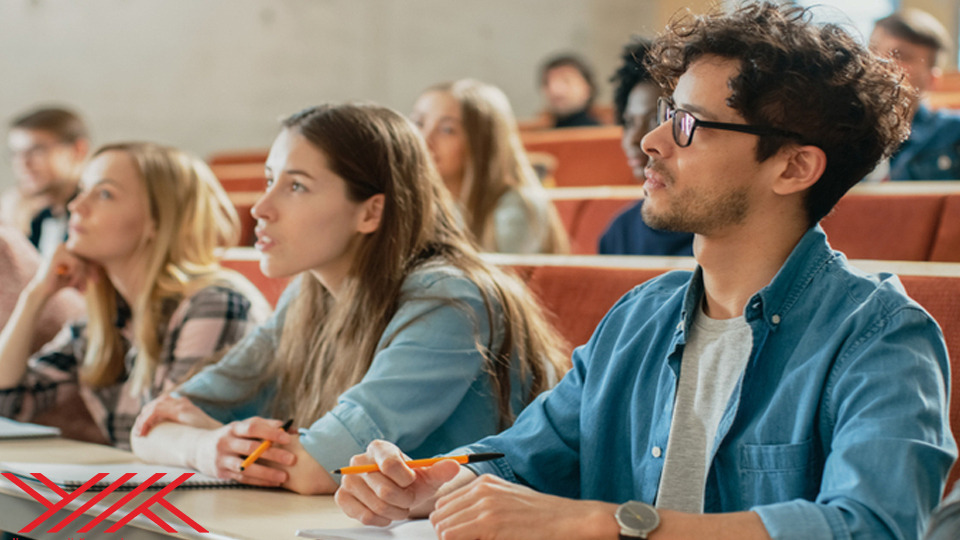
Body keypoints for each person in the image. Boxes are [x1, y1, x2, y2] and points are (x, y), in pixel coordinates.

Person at [335, 4, 956, 540]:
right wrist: (434, 481)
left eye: (688, 123)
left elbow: (870, 525)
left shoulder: (881, 337)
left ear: (793, 168)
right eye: (666, 111)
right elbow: (525, 456)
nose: (653, 140)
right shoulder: (639, 315)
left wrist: (603, 523)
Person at [129, 104, 569, 495]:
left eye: (296, 186)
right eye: (269, 181)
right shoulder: (309, 294)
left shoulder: (450, 301)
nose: (261, 208)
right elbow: (152, 425)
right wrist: (208, 445)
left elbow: (319, 469)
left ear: (371, 212)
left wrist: (213, 442)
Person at [0, 142, 270, 450]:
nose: (77, 205)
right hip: (147, 491)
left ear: (157, 221)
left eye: (104, 194)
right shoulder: (103, 321)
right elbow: (9, 405)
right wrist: (35, 295)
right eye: (83, 190)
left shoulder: (217, 305)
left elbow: (168, 436)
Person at [411, 79, 569, 254]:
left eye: (447, 130)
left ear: (482, 143)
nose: (424, 140)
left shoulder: (516, 210)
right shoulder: (425, 203)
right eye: (419, 123)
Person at [598, 37, 694, 256]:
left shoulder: (718, 235)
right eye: (629, 122)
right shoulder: (619, 231)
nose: (635, 139)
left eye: (655, 120)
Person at [870, 9, 960, 180]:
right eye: (872, 50)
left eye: (899, 55)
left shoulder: (955, 134)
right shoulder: (838, 132)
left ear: (932, 80)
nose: (878, 63)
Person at [3, 107, 90, 257]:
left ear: (78, 150)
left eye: (36, 150)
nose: (22, 164)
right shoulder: (39, 218)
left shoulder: (94, 219)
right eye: (16, 154)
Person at [540, 54, 602, 128]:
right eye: (547, 83)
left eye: (566, 81)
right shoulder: (541, 134)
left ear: (587, 88)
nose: (555, 90)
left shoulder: (600, 134)